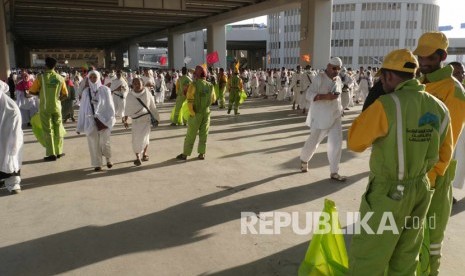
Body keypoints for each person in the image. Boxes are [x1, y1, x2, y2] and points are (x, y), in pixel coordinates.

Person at [347, 49, 453, 275]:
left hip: (388, 193)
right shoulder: (439, 107)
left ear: (388, 76)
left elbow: (355, 143)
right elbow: (445, 155)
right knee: (406, 258)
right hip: (421, 190)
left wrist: (374, 102)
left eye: (381, 78)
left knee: (368, 256)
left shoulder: (386, 105)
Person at [413, 32, 465, 275]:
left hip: (435, 173)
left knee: (431, 236)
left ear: (442, 56)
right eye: (420, 55)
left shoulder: (453, 91)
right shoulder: (420, 84)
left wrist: (429, 180)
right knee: (411, 236)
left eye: (428, 55)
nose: (422, 59)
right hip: (415, 170)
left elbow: (447, 143)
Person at [299, 57, 346, 181]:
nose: (336, 71)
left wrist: (340, 109)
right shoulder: (319, 78)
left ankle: (334, 172)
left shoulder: (339, 79)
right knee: (314, 142)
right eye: (334, 68)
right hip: (320, 117)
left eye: (338, 69)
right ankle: (304, 160)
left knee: (336, 144)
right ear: (328, 66)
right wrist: (325, 96)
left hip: (335, 116)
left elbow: (338, 97)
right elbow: (309, 95)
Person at [29, 57, 68, 161]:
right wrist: (57, 100)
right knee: (58, 128)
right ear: (55, 66)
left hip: (45, 107)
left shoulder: (40, 77)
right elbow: (65, 94)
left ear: (46, 65)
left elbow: (31, 92)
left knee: (48, 130)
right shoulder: (60, 78)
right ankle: (59, 151)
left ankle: (51, 154)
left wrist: (41, 93)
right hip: (57, 107)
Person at [76, 70, 116, 171]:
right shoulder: (85, 92)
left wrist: (110, 118)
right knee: (93, 143)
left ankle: (108, 159)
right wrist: (79, 125)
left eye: (95, 77)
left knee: (104, 141)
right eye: (91, 77)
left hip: (104, 120)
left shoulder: (105, 90)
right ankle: (97, 164)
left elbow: (110, 106)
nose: (93, 79)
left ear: (98, 77)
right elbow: (83, 109)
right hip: (90, 120)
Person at [176, 65, 216, 161]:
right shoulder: (210, 85)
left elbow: (190, 100)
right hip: (206, 113)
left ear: (196, 75)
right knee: (204, 134)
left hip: (195, 113)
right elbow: (213, 99)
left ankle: (185, 154)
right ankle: (201, 154)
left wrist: (192, 113)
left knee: (190, 134)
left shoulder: (193, 85)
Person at [123, 78, 160, 166]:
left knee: (145, 138)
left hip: (146, 120)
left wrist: (156, 118)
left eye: (138, 83)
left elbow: (152, 106)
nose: (136, 85)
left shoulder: (147, 93)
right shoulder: (129, 95)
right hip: (135, 121)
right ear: (132, 84)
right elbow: (127, 108)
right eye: (134, 83)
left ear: (142, 84)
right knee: (136, 140)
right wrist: (125, 120)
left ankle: (144, 153)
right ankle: (137, 157)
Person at [0, 81, 23, 194]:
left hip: (9, 136)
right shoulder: (10, 105)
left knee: (10, 154)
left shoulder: (11, 107)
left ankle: (13, 184)